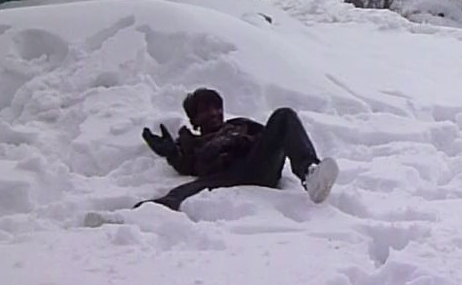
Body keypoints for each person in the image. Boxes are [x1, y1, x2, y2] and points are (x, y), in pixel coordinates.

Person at [138, 87, 338, 211]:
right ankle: (151, 212)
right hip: (227, 176)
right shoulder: (192, 142)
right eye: (206, 109)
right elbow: (187, 165)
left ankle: (310, 174)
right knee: (181, 192)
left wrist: (243, 140)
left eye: (217, 107)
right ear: (194, 120)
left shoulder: (240, 124)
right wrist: (171, 153)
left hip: (257, 166)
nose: (214, 113)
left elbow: (273, 137)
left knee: (284, 115)